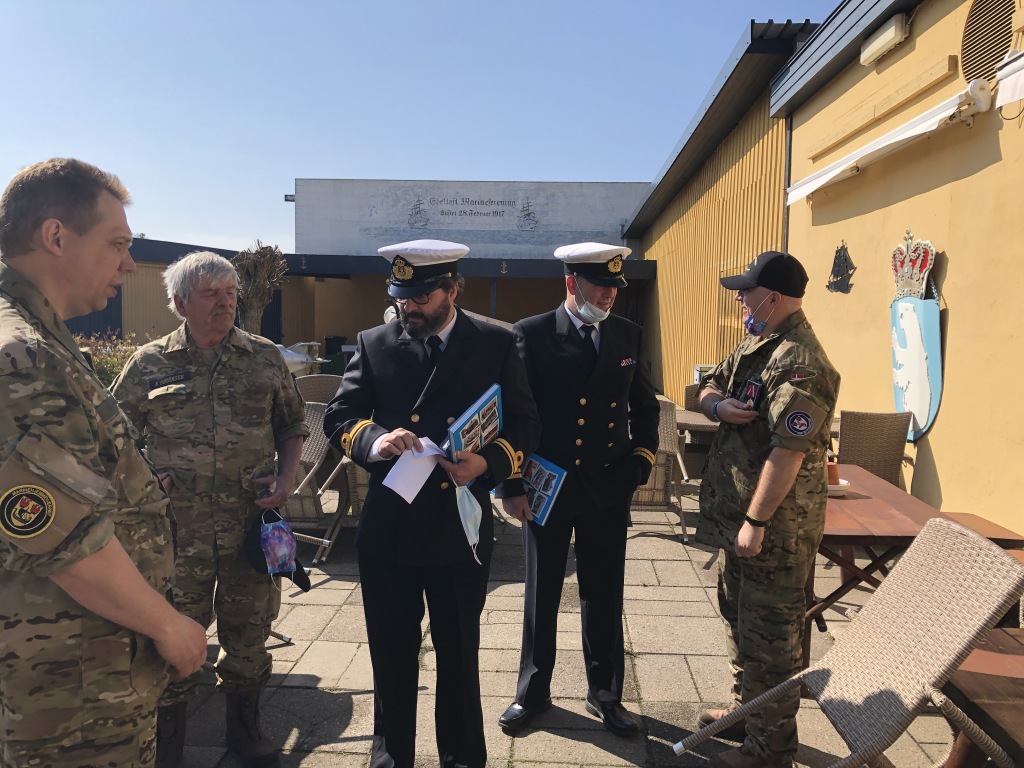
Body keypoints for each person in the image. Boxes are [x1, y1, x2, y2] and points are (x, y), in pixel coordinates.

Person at [0, 158, 208, 767]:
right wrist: (168, 626)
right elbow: (63, 537)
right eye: (117, 243)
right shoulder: (22, 357)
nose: (129, 264)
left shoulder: (38, 339)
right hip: (68, 690)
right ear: (56, 236)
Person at [323, 239, 540, 768]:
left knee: (460, 654)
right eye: (401, 297)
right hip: (390, 527)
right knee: (391, 656)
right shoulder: (374, 342)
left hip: (457, 528)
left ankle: (462, 757)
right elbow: (340, 417)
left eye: (421, 297)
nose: (409, 308)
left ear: (452, 290)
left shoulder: (495, 341)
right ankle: (390, 757)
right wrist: (376, 440)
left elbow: (526, 422)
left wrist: (486, 464)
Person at [110, 251, 308, 768]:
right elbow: (113, 437)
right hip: (176, 532)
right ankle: (169, 741)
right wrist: (144, 478)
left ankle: (245, 731)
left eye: (230, 292)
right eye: (211, 294)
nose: (225, 302)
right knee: (171, 632)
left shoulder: (264, 357)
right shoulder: (149, 362)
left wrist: (287, 477)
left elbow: (292, 425)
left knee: (250, 630)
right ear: (180, 304)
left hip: (250, 524)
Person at [497, 242, 659, 738]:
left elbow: (646, 407)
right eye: (600, 286)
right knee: (541, 593)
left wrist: (640, 463)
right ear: (571, 283)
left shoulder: (627, 334)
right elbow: (512, 413)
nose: (609, 295)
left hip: (607, 486)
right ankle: (532, 693)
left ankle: (605, 694)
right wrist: (512, 482)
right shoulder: (531, 334)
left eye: (614, 287)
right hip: (548, 486)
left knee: (604, 593)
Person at [694, 251, 840, 768]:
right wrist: (717, 405)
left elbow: (788, 453)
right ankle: (746, 712)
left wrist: (756, 522)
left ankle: (770, 750)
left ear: (772, 298)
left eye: (746, 292)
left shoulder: (801, 364)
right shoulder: (758, 343)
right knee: (739, 620)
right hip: (740, 523)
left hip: (775, 532)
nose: (739, 298)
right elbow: (705, 384)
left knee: (771, 641)